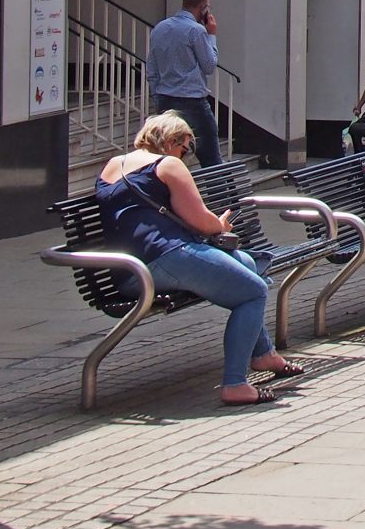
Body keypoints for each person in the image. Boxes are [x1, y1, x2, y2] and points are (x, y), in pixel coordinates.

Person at [96, 113, 300, 405]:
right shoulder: (167, 165)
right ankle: (235, 384)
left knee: (247, 263)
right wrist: (221, 226)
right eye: (186, 147)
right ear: (169, 141)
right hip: (164, 258)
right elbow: (203, 223)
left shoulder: (114, 165)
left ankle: (264, 354)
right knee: (254, 291)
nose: (187, 156)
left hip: (128, 270)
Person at [144, 0, 222, 167]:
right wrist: (212, 36)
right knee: (210, 155)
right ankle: (221, 193)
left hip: (166, 98)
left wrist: (157, 96)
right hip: (193, 100)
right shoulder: (196, 31)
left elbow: (152, 67)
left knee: (168, 154)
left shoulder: (159, 28)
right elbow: (209, 65)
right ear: (203, 8)